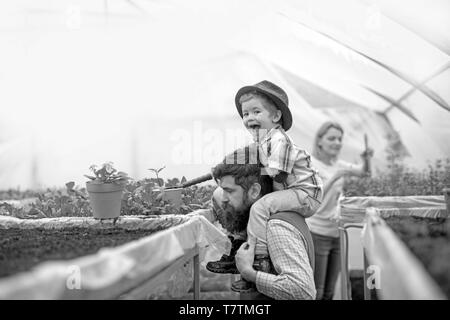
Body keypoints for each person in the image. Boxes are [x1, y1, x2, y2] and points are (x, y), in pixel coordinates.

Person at [206, 80, 323, 293]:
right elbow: (244, 157)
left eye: (256, 111)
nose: (249, 118)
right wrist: (223, 169)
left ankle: (258, 258)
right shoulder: (262, 140)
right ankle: (238, 248)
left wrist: (245, 174)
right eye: (245, 114)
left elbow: (278, 175)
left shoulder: (280, 140)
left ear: (275, 117)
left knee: (261, 207)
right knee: (226, 197)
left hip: (305, 193)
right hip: (289, 190)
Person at [191, 147, 316, 300]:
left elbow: (304, 292)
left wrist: (250, 274)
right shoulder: (252, 215)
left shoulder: (275, 226)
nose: (224, 197)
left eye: (229, 191)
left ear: (255, 191)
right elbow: (219, 196)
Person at [306, 121, 373, 300]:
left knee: (329, 291)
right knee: (316, 291)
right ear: (319, 141)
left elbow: (364, 173)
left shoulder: (339, 164)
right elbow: (312, 197)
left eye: (339, 139)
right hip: (316, 233)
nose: (337, 142)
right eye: (332, 138)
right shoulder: (310, 164)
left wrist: (366, 159)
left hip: (336, 233)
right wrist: (336, 176)